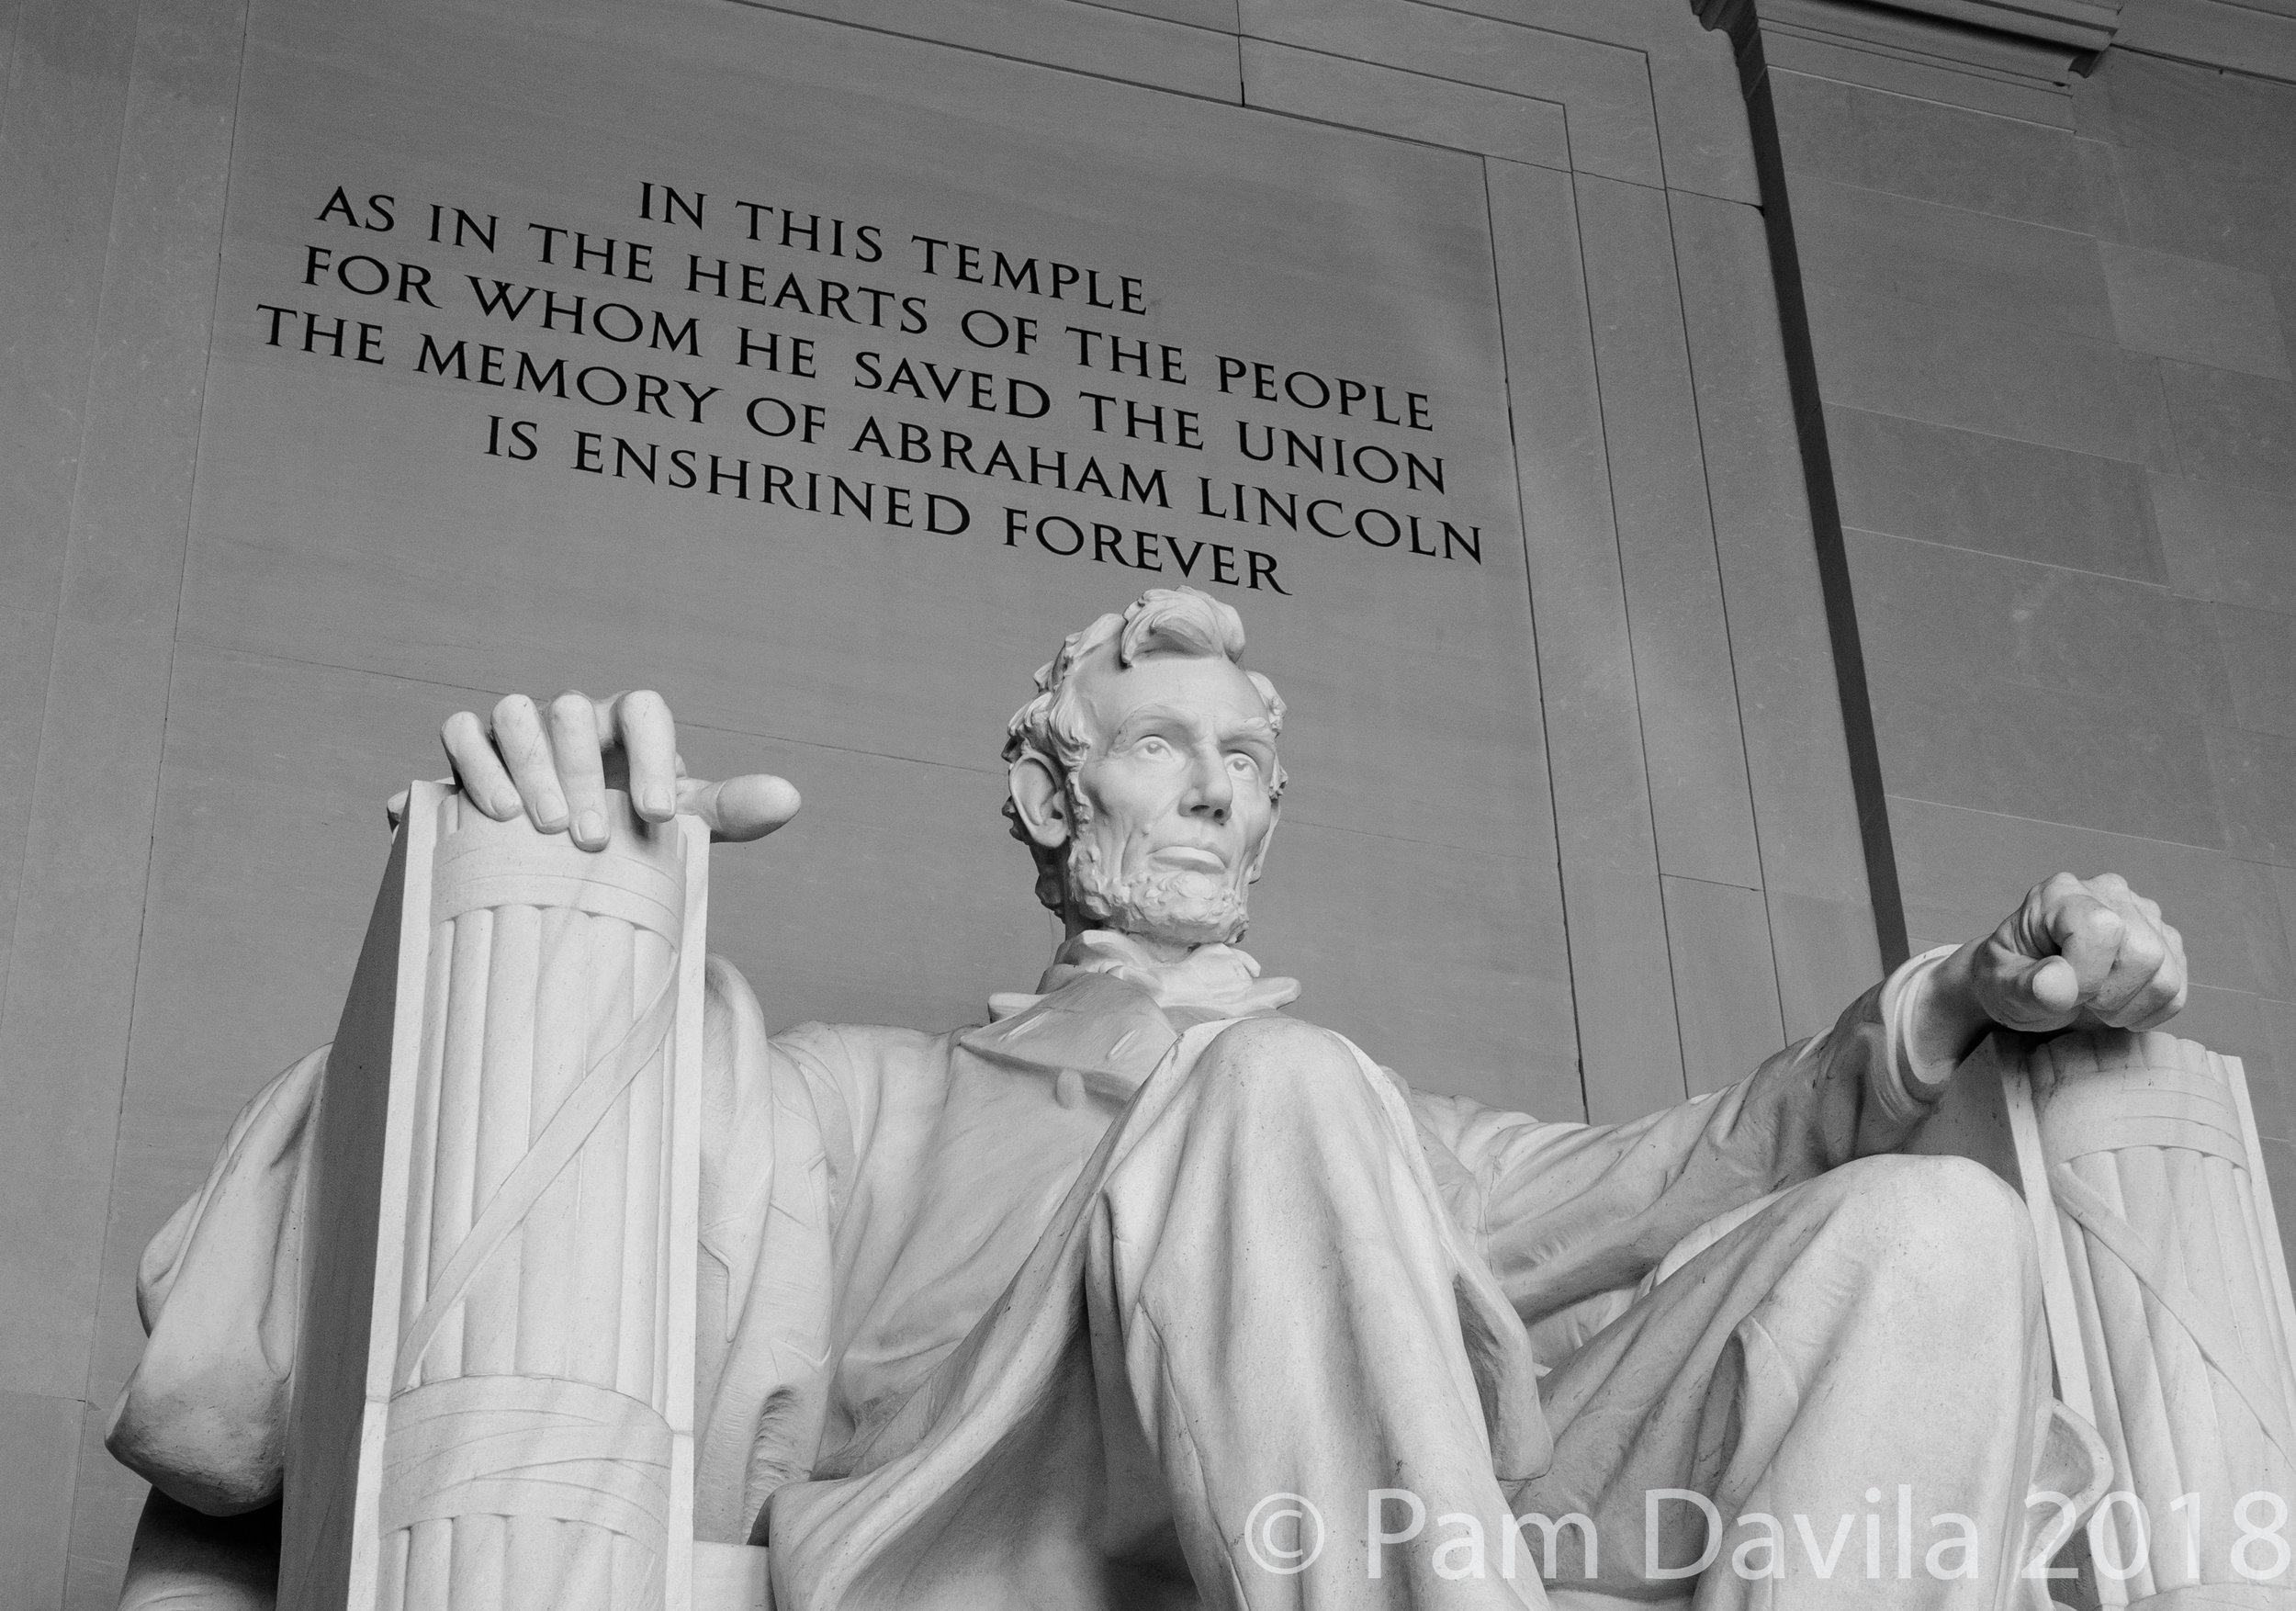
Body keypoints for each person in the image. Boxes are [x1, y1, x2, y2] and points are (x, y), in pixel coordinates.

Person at [110, 587, 2187, 1610]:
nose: (1211, 787)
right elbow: (502, 1212)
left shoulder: (1384, 1135)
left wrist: (1952, 1007)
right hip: (998, 1548)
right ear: (1047, 791)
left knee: (1936, 1230)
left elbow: (1692, 1168)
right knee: (1274, 1091)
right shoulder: (862, 1097)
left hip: (1382, 1525)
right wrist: (546, 866)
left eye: (1244, 761)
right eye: (1155, 742)